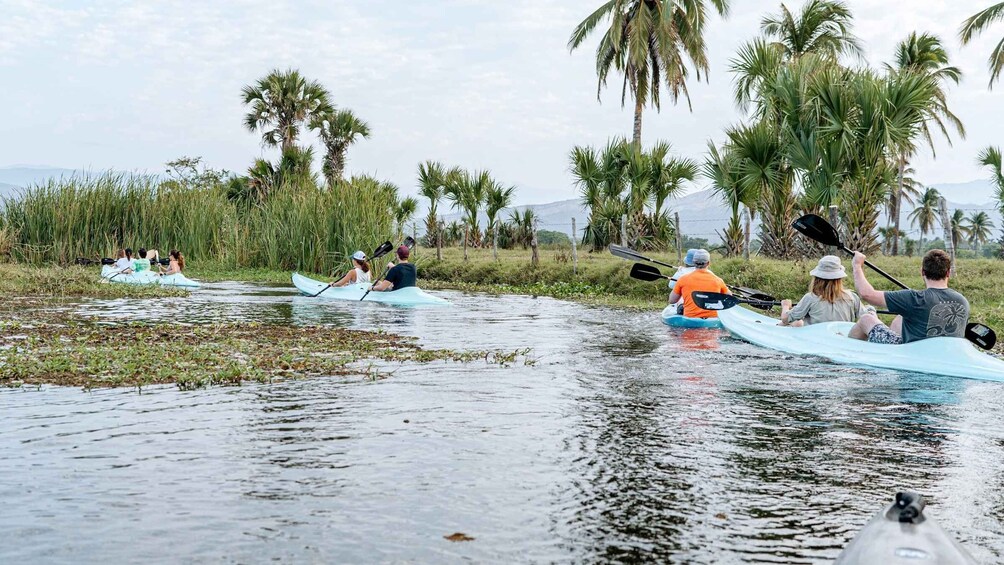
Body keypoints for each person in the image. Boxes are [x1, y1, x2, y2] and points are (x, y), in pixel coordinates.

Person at [848, 249, 970, 344]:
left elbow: (866, 294)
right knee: (900, 317)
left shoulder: (914, 298)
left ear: (922, 271)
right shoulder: (962, 301)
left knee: (866, 319)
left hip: (912, 353)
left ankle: (848, 349)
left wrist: (857, 265)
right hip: (947, 355)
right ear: (948, 272)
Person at [779, 255, 870, 327]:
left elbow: (785, 319)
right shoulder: (852, 297)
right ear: (839, 279)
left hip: (817, 340)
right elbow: (868, 318)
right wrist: (870, 309)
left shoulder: (810, 298)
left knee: (795, 323)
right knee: (798, 323)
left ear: (817, 278)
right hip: (842, 338)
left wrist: (786, 306)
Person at [668, 249, 730, 319]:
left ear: (694, 262)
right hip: (712, 320)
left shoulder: (683, 279)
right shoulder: (718, 280)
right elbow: (729, 297)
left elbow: (672, 300)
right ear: (708, 263)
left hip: (690, 319)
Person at [669, 249, 699, 314]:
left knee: (679, 293)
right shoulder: (709, 273)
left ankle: (682, 309)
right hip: (703, 304)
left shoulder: (681, 272)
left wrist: (678, 271)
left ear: (686, 262)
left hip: (685, 304)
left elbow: (671, 285)